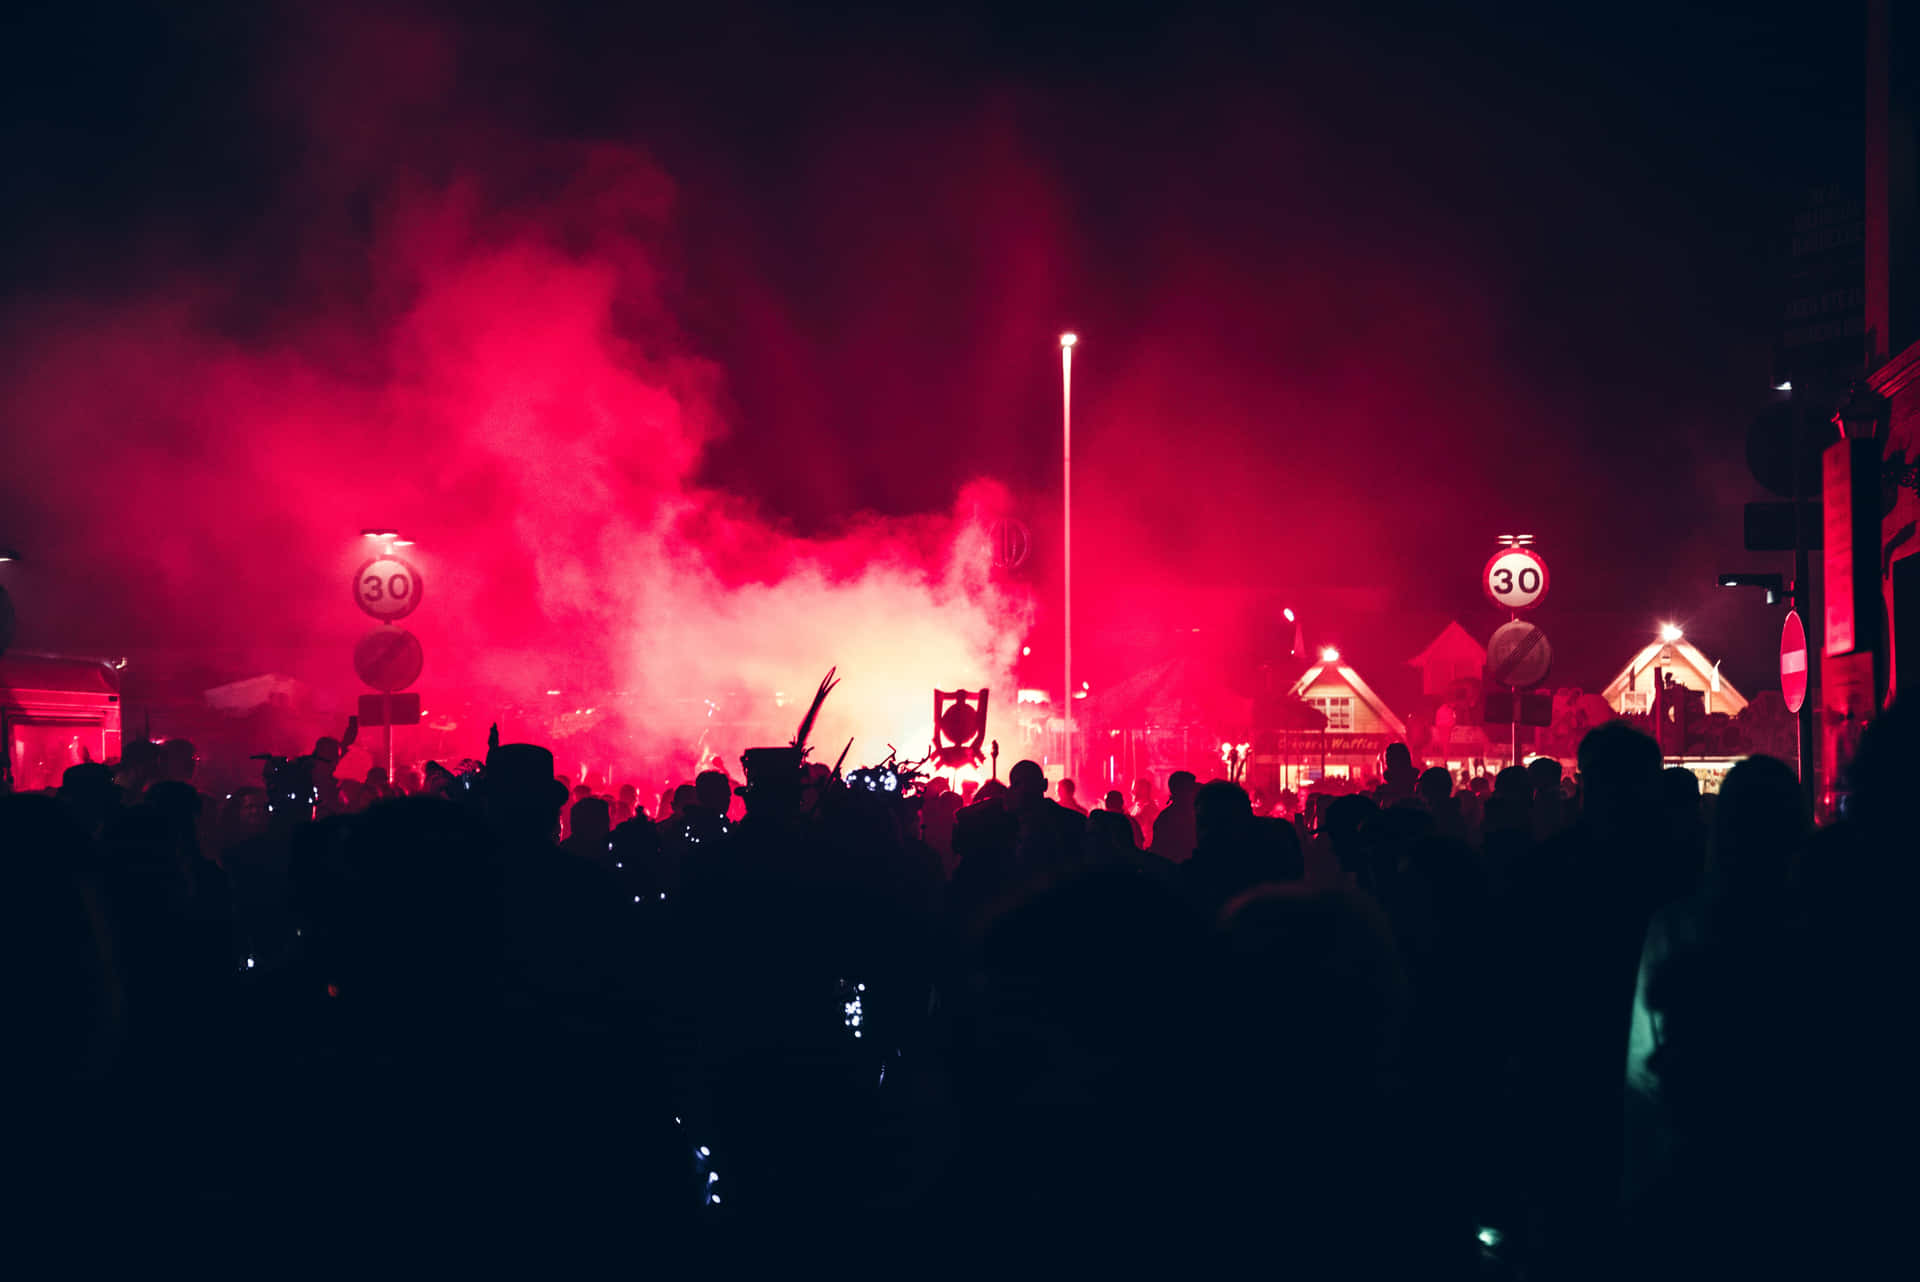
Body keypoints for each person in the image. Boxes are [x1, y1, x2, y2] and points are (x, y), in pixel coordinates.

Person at [1149, 771, 1199, 863]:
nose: (1195, 791)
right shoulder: (1168, 818)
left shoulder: (1165, 816)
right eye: (1191, 788)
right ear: (1182, 790)